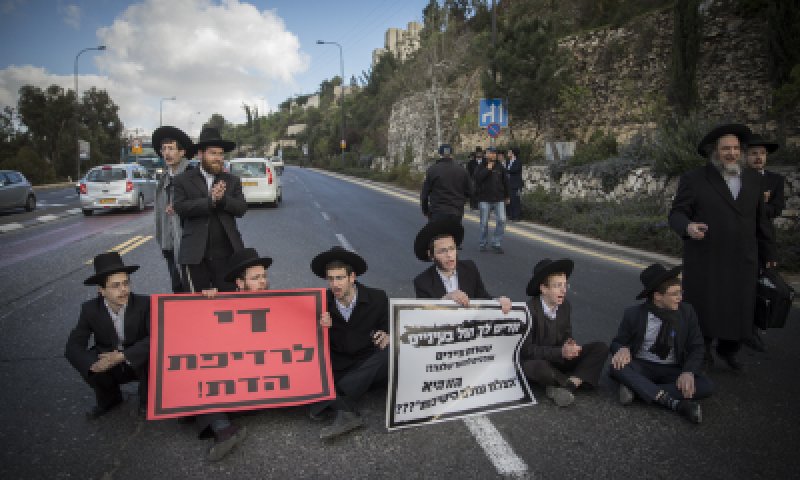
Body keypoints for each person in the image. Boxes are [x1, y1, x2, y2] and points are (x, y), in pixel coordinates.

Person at [669, 123, 777, 372]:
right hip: (707, 257)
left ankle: (729, 350)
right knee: (706, 307)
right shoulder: (694, 179)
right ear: (715, 152)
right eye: (726, 148)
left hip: (743, 258)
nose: (731, 153)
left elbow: (761, 220)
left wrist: (769, 253)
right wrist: (688, 227)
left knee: (740, 307)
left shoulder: (752, 179)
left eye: (736, 148)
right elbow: (677, 214)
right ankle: (702, 350)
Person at [609, 264, 713, 424]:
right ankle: (674, 404)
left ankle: (638, 390)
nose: (680, 297)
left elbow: (697, 346)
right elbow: (617, 342)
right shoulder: (634, 314)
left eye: (681, 292)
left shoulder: (687, 312)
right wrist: (622, 348)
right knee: (616, 367)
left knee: (705, 385)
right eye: (675, 294)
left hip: (672, 368)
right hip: (642, 365)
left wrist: (688, 372)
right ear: (657, 296)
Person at [309, 246, 390, 440]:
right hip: (340, 366)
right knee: (310, 378)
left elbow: (391, 328)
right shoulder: (321, 303)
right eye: (330, 279)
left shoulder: (377, 297)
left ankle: (337, 398)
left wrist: (387, 335)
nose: (334, 284)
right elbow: (308, 343)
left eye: (339, 278)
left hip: (369, 364)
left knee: (393, 352)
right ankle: (345, 409)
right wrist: (320, 328)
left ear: (352, 277)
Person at [65, 252, 149, 419]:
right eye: (115, 286)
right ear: (101, 290)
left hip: (137, 360)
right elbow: (73, 346)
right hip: (109, 362)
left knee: (153, 354)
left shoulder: (145, 304)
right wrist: (92, 366)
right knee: (88, 358)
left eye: (126, 283)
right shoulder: (89, 310)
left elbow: (157, 338)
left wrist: (122, 356)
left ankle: (147, 401)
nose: (123, 289)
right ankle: (109, 399)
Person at [520, 258, 608, 407]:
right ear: (544, 288)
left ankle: (567, 386)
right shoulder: (528, 311)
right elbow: (527, 351)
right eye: (557, 286)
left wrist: (570, 343)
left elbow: (567, 333)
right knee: (536, 368)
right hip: (541, 360)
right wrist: (561, 352)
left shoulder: (565, 306)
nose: (564, 290)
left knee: (601, 348)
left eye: (565, 284)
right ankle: (573, 380)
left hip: (559, 358)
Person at [173, 126, 247, 293]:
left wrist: (222, 200)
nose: (218, 158)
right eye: (213, 153)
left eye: (221, 154)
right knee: (197, 307)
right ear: (200, 154)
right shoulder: (182, 180)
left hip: (228, 255)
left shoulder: (232, 180)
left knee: (229, 305)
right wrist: (210, 201)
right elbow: (180, 207)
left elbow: (241, 208)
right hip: (195, 255)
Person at [413, 219, 511, 314]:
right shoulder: (422, 282)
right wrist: (445, 300)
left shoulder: (469, 268)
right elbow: (424, 315)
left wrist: (498, 301)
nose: (449, 255)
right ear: (431, 255)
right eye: (442, 251)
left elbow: (482, 297)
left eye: (452, 248)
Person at [743, 133, 786, 352]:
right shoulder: (737, 178)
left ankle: (752, 330)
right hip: (737, 241)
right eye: (753, 154)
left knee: (758, 288)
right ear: (745, 157)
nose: (758, 157)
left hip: (761, 241)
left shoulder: (775, 180)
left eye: (762, 154)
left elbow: (774, 210)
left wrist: (758, 204)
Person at [152, 126, 194, 293]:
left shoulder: (192, 175)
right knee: (177, 289)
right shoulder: (164, 179)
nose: (167, 153)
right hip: (170, 245)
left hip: (189, 245)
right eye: (164, 149)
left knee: (191, 289)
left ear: (182, 152)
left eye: (171, 148)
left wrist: (180, 206)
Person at [420, 144, 472, 224]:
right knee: (454, 235)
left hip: (437, 211)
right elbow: (470, 192)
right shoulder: (462, 170)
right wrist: (461, 201)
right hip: (456, 211)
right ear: (451, 154)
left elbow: (424, 194)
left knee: (436, 235)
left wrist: (425, 210)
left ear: (440, 154)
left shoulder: (432, 170)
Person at [474, 146, 510, 253]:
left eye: (494, 153)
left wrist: (507, 196)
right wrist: (487, 169)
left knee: (502, 220)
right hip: (484, 198)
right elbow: (477, 179)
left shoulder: (500, 167)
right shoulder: (481, 166)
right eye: (490, 153)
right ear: (486, 154)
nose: (493, 155)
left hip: (499, 198)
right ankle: (482, 243)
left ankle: (496, 243)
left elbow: (506, 182)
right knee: (484, 223)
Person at [505, 147, 523, 221]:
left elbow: (515, 170)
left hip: (515, 184)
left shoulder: (518, 162)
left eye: (509, 152)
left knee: (516, 200)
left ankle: (517, 216)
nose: (508, 153)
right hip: (508, 183)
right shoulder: (508, 161)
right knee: (510, 200)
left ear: (513, 153)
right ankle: (511, 215)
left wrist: (507, 170)